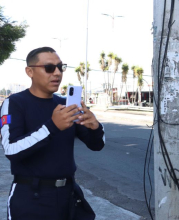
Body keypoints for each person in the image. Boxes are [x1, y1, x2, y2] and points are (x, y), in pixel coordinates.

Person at [0, 47, 105, 220]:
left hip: (69, 196)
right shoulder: (15, 103)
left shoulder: (66, 104)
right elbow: (11, 149)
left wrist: (95, 127)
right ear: (30, 71)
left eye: (60, 67)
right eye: (49, 68)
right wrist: (52, 127)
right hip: (31, 198)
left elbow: (97, 145)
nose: (57, 73)